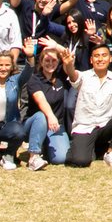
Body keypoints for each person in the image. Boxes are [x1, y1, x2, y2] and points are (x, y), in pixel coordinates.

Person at [60, 42, 112, 167]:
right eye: (96, 56)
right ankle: (92, 149)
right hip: (85, 128)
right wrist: (69, 65)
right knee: (81, 161)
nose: (100, 59)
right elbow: (73, 76)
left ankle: (110, 152)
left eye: (104, 55)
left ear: (110, 59)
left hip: (104, 127)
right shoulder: (84, 76)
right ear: (91, 60)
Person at [23, 41, 74, 169]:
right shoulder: (34, 79)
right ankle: (33, 157)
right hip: (36, 123)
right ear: (40, 62)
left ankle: (45, 146)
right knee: (41, 116)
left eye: (54, 60)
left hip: (56, 126)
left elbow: (70, 57)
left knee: (60, 158)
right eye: (47, 60)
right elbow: (41, 100)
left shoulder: (61, 77)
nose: (50, 63)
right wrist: (51, 116)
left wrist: (56, 46)